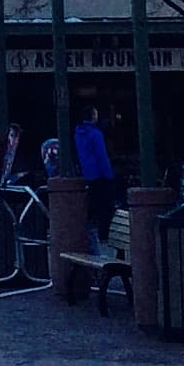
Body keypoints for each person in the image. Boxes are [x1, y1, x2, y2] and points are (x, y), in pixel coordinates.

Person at [75, 105, 115, 254]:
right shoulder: (95, 134)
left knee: (92, 205)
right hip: (99, 174)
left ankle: (88, 231)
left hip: (87, 173)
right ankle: (104, 234)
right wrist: (109, 174)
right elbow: (102, 155)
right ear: (92, 116)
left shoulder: (78, 133)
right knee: (106, 206)